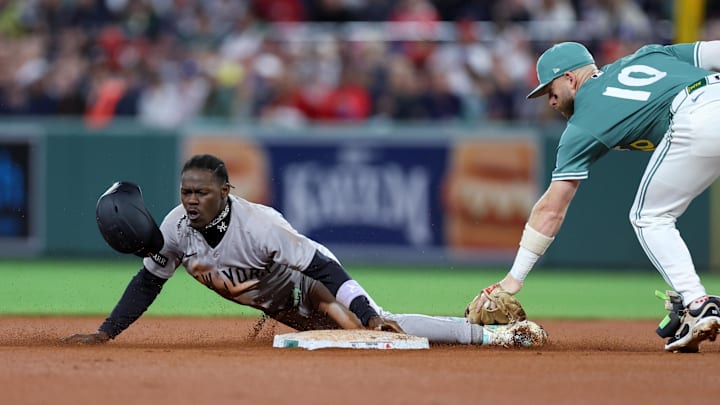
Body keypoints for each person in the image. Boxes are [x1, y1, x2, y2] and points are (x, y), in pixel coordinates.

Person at [63, 154, 547, 348]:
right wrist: (106, 333)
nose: (191, 200)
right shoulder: (174, 227)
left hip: (307, 284)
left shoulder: (261, 225)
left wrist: (362, 309)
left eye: (202, 192)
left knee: (376, 329)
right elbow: (148, 281)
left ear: (225, 191)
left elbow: (324, 266)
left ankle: (497, 336)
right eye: (186, 191)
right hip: (281, 305)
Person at [467, 41, 720, 352]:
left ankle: (697, 304)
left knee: (650, 217)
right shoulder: (649, 54)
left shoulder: (583, 123)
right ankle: (691, 300)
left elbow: (551, 209)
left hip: (698, 115)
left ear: (571, 79)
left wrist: (512, 281)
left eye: (551, 90)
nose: (550, 101)